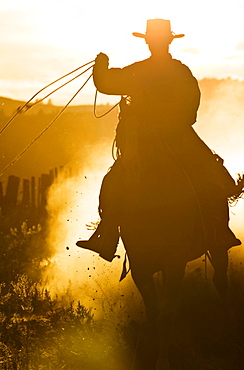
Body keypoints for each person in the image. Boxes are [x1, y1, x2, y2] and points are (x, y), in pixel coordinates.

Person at [76, 19, 241, 261]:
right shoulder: (159, 70)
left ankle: (219, 231)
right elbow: (107, 82)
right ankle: (107, 233)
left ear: (165, 42)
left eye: (158, 41)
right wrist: (101, 66)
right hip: (158, 138)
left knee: (210, 172)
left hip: (175, 134)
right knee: (114, 180)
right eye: (153, 41)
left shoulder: (164, 71)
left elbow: (190, 107)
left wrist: (165, 117)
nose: (155, 45)